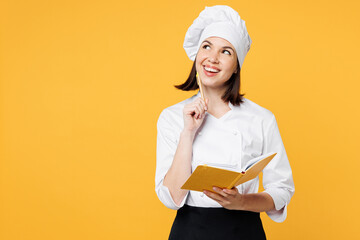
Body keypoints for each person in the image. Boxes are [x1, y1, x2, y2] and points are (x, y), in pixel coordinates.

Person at [155, 5, 295, 240]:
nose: (212, 58)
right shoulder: (172, 117)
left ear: (236, 65)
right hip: (190, 232)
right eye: (206, 46)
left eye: (226, 52)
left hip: (244, 230)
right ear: (197, 54)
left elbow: (282, 190)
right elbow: (172, 198)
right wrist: (188, 132)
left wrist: (241, 201)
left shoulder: (262, 118)